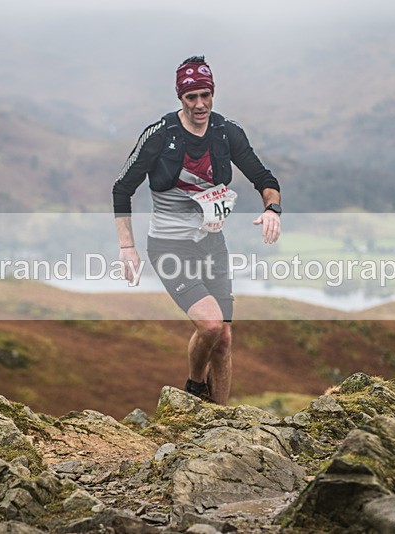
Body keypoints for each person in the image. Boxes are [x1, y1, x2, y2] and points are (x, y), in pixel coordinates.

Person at [112, 55, 282, 404]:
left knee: (224, 340)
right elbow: (121, 188)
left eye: (205, 95)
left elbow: (265, 179)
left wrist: (272, 209)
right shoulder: (160, 136)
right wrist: (127, 248)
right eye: (192, 97)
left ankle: (217, 419)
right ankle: (193, 388)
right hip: (169, 246)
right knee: (210, 325)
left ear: (213, 93)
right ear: (180, 98)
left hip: (212, 244)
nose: (200, 104)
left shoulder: (226, 133)